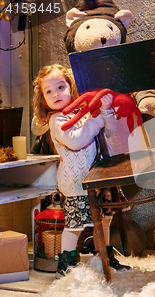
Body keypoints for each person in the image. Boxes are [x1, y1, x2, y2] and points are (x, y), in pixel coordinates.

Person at [32, 64, 129, 277]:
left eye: (60, 87)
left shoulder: (85, 111)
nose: (56, 93)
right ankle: (66, 264)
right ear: (43, 99)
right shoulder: (57, 119)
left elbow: (109, 130)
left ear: (71, 87)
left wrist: (104, 111)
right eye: (49, 91)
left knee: (105, 219)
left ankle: (104, 257)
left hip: (102, 176)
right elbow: (76, 141)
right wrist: (95, 120)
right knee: (75, 224)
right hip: (77, 183)